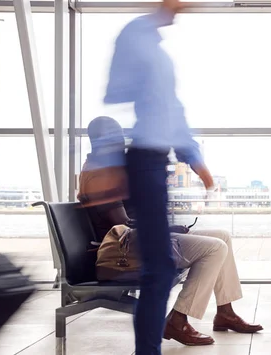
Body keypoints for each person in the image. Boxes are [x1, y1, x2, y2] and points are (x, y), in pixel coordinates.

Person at [103, 0, 229, 352]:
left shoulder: (150, 42)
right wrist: (193, 158)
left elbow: (170, 108)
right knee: (158, 271)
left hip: (155, 165)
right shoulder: (139, 37)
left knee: (159, 271)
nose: (186, 6)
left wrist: (194, 160)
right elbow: (143, 100)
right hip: (146, 163)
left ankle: (159, 342)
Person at [78, 117, 262, 348]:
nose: (119, 142)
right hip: (127, 246)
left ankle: (225, 311)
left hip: (138, 238)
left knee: (221, 236)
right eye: (113, 136)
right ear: (98, 140)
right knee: (215, 248)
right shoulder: (100, 174)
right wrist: (164, 227)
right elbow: (123, 223)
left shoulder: (108, 168)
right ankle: (178, 320)